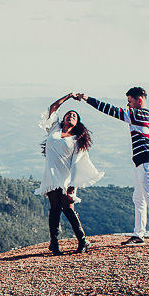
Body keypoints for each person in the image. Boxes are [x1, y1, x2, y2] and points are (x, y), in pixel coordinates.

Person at [74, 86, 149, 246]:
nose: (128, 104)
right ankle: (139, 234)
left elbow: (109, 110)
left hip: (146, 162)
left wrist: (87, 99)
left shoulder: (135, 114)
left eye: (130, 101)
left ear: (140, 100)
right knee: (139, 198)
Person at [36, 93, 104, 255]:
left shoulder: (77, 139)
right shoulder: (54, 128)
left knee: (68, 208)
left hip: (66, 176)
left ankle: (82, 240)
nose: (71, 116)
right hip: (51, 175)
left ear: (77, 122)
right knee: (54, 208)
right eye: (68, 114)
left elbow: (78, 163)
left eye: (74, 116)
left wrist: (73, 185)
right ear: (64, 118)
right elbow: (53, 108)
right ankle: (54, 242)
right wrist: (68, 96)